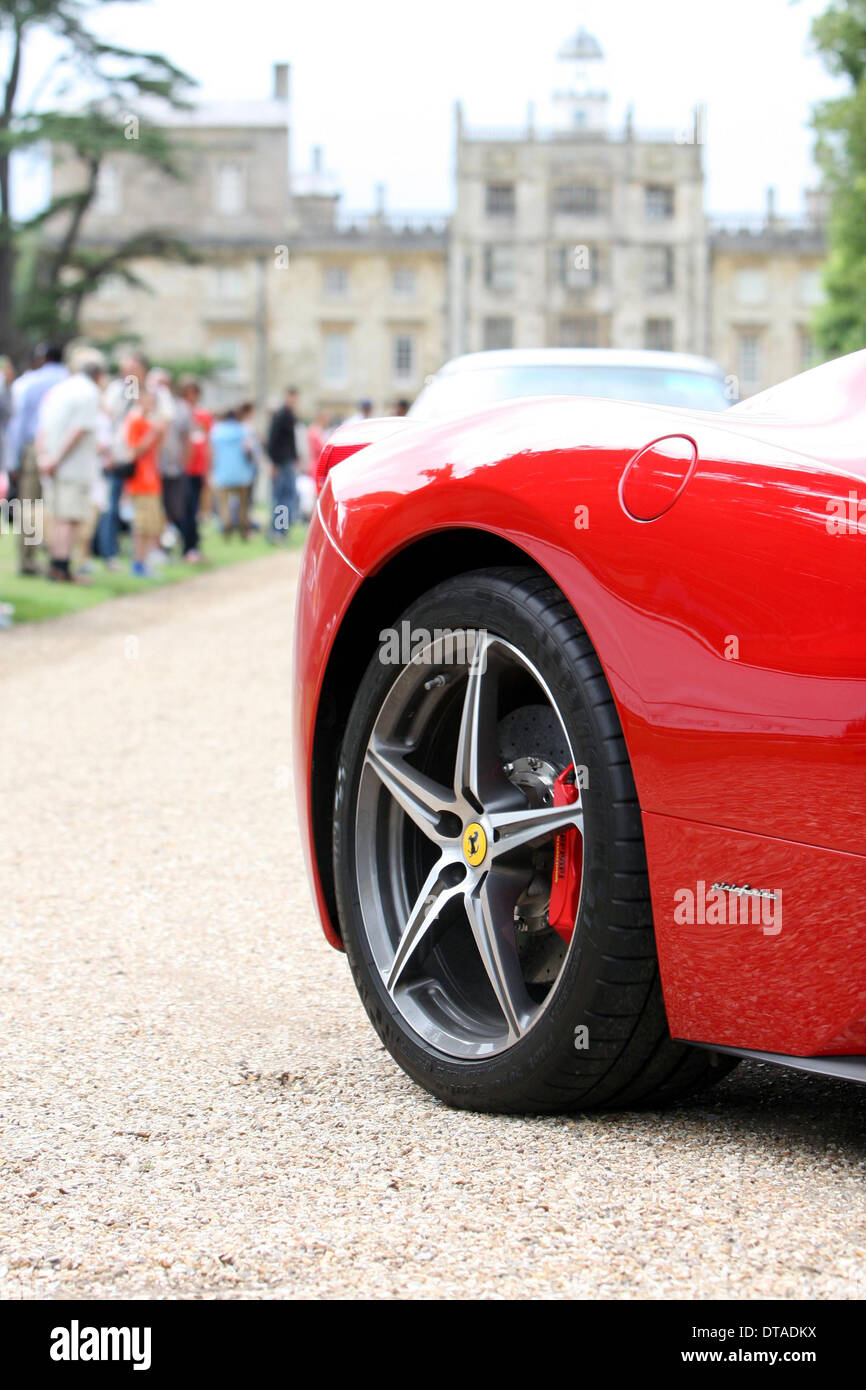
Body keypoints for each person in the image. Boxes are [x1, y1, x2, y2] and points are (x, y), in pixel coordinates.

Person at [35, 347, 106, 583]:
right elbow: (78, 430)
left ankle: (56, 564)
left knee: (58, 517)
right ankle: (62, 568)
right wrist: (55, 459)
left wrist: (44, 457)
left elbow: (42, 428)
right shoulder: (88, 392)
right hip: (72, 466)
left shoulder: (59, 389)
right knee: (69, 518)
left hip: (53, 463)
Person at [6, 343, 67, 574]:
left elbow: (17, 425)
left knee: (31, 505)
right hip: (65, 449)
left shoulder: (28, 383)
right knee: (59, 506)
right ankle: (60, 557)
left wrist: (13, 460)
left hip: (32, 448)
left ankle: (29, 559)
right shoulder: (70, 381)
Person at [124, 389, 164, 577]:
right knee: (141, 525)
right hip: (139, 483)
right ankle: (138, 563)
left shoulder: (149, 423)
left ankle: (144, 561)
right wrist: (152, 434)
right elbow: (132, 452)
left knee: (151, 525)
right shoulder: (136, 422)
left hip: (152, 481)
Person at [157, 374, 192, 553]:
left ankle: (167, 547)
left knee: (173, 510)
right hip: (152, 470)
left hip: (174, 468)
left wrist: (185, 465)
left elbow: (186, 439)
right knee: (155, 509)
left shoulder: (181, 408)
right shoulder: (147, 406)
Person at [180, 378, 212, 563]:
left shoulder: (203, 415)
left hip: (197, 469)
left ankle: (193, 546)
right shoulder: (180, 413)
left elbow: (206, 444)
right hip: (183, 469)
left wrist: (208, 470)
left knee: (194, 510)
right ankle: (186, 546)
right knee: (183, 509)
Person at [211, 408, 255, 539]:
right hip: (242, 474)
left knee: (223, 503)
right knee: (243, 504)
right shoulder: (243, 431)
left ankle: (226, 524)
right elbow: (248, 450)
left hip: (222, 474)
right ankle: (242, 527)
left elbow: (213, 453)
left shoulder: (217, 432)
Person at [266, 386, 299, 541]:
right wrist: (274, 463)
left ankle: (282, 529)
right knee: (281, 497)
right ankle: (277, 531)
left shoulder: (289, 416)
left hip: (288, 462)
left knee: (287, 497)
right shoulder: (280, 416)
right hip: (282, 463)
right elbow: (272, 441)